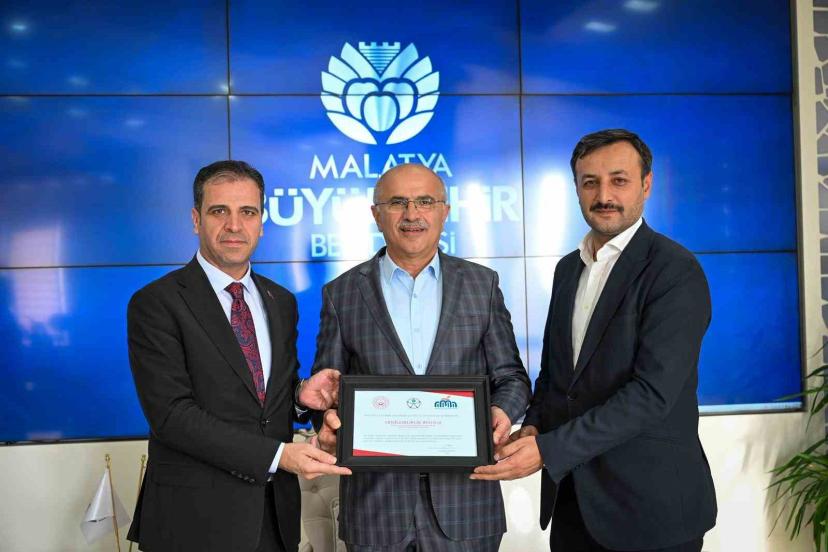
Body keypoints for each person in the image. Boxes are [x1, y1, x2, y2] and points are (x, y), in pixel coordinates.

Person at [472, 129, 717, 552]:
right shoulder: (569, 269)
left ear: (646, 185)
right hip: (574, 506)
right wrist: (534, 425)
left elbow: (651, 394)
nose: (604, 195)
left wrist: (548, 450)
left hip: (650, 511)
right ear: (576, 189)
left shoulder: (674, 270)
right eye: (590, 182)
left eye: (619, 180)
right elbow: (556, 376)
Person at [126, 160, 351, 552]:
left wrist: (299, 396)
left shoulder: (280, 301)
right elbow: (171, 416)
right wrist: (279, 456)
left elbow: (259, 395)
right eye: (219, 211)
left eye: (247, 212)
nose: (234, 225)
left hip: (273, 517)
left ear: (261, 222)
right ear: (196, 219)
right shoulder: (156, 303)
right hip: (192, 522)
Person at [311, 163, 531, 551]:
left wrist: (501, 412)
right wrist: (326, 421)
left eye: (425, 202)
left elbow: (512, 378)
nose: (412, 214)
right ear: (376, 214)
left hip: (466, 505)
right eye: (397, 202)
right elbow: (325, 390)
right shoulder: (341, 294)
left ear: (445, 212)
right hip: (375, 509)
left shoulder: (482, 285)